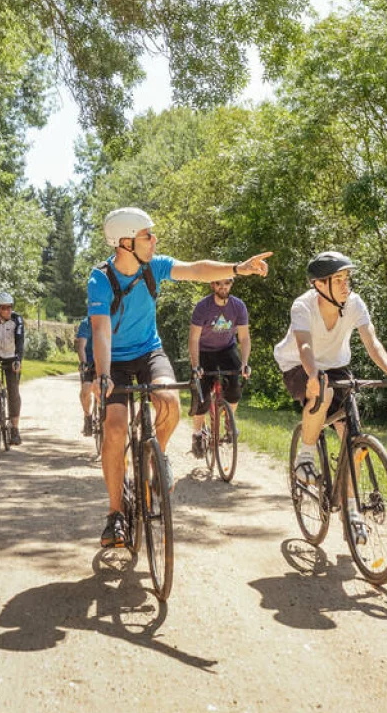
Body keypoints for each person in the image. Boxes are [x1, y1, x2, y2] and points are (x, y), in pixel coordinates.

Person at [88, 207, 271, 549]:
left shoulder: (154, 267)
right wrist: (102, 375)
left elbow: (197, 269)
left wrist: (237, 268)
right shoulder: (99, 279)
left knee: (170, 400)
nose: (154, 240)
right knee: (114, 429)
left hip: (149, 352)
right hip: (114, 359)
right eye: (147, 236)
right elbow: (100, 332)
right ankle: (115, 514)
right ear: (125, 242)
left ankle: (158, 456)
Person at [273, 250, 387, 544]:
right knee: (324, 389)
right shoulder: (303, 306)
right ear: (320, 284)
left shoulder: (355, 303)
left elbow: (371, 341)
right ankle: (304, 458)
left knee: (353, 440)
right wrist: (312, 377)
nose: (346, 284)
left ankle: (352, 511)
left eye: (347, 278)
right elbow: (305, 347)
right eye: (338, 279)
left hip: (337, 365)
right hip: (298, 364)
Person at [188, 278, 251, 459]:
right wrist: (196, 366)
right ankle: (197, 434)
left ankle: (228, 421)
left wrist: (245, 362)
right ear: (212, 285)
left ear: (231, 284)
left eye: (227, 283)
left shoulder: (238, 306)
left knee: (234, 390)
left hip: (226, 350)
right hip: (204, 350)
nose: (223, 287)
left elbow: (244, 338)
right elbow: (193, 339)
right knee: (202, 396)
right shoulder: (203, 307)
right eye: (218, 283)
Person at [0, 292, 25, 445]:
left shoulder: (17, 320)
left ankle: (15, 429)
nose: (8, 311)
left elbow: (20, 342)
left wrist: (18, 360)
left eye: (10, 307)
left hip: (11, 355)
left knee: (13, 391)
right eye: (4, 308)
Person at [75, 316, 95, 436]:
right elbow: (81, 346)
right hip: (90, 361)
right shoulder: (86, 324)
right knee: (86, 390)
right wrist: (84, 363)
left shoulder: (111, 319)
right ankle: (88, 417)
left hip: (107, 360)